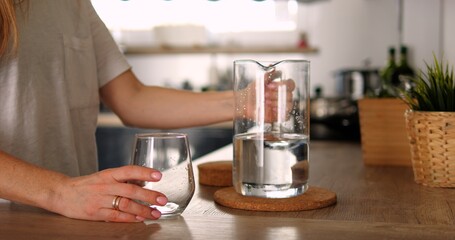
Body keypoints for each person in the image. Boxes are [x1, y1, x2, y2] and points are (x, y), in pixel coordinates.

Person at [0, 0, 294, 222]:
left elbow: (132, 98)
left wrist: (246, 102)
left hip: (78, 220)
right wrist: (61, 192)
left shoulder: (74, 5)